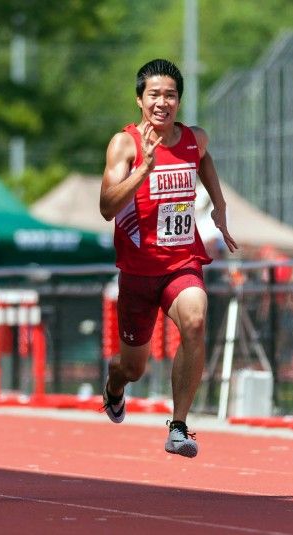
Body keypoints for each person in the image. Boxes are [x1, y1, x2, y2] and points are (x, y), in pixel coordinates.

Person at [99, 59, 237, 458]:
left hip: (181, 262)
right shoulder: (124, 144)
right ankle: (114, 384)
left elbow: (203, 158)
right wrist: (142, 172)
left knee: (195, 319)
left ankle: (178, 426)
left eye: (171, 95)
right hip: (138, 272)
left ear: (179, 101)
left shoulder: (195, 138)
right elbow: (107, 207)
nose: (163, 102)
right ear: (140, 100)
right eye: (155, 95)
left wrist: (219, 206)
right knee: (134, 368)